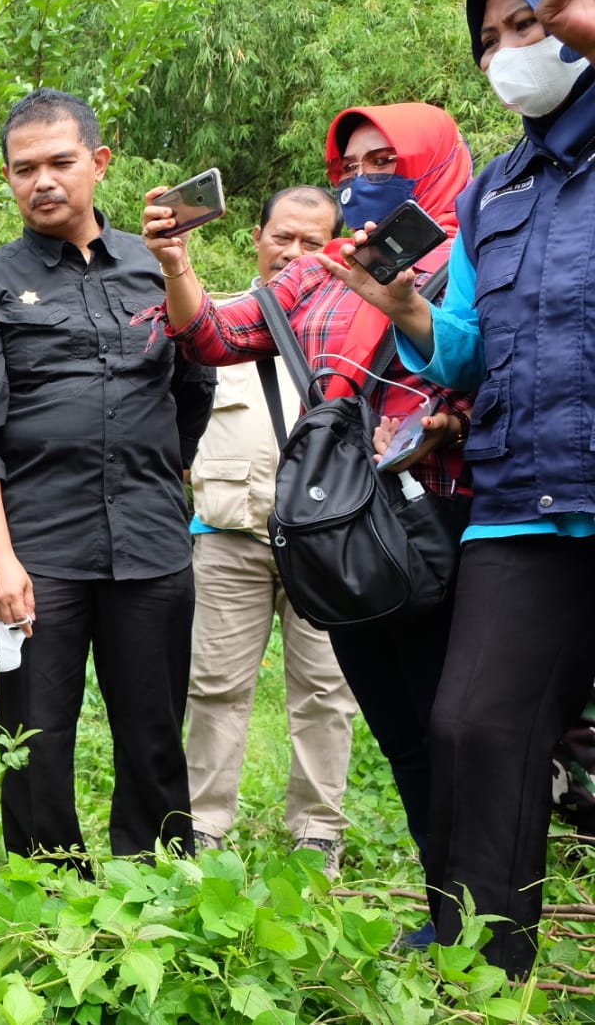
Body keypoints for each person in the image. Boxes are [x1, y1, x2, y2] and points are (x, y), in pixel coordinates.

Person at [313, 0, 595, 975]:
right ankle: (486, 969)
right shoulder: (493, 192)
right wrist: (408, 312)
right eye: (489, 39)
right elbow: (465, 348)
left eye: (527, 23)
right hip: (524, 500)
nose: (505, 53)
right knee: (473, 721)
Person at [143, 103, 474, 910]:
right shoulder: (321, 270)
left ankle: (481, 903)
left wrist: (450, 417)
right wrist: (177, 263)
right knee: (397, 727)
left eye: (386, 163)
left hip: (436, 521)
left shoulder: (478, 255)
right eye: (354, 167)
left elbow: (502, 362)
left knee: (453, 726)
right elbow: (217, 336)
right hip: (344, 526)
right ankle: (446, 908)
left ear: (432, 162)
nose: (366, 181)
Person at [0, 89, 215, 870]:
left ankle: (156, 888)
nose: (43, 181)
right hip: (40, 551)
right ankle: (48, 899)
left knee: (155, 734)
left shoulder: (153, 266)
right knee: (33, 741)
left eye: (60, 162)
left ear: (98, 163)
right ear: (8, 179)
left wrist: (157, 468)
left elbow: (196, 385)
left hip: (153, 544)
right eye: (24, 169)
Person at [184, 186, 358, 874]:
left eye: (313, 243)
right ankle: (203, 825)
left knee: (326, 689)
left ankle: (319, 831)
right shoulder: (217, 322)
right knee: (216, 686)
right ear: (258, 235)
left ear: (335, 247)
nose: (293, 252)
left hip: (327, 544)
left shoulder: (354, 323)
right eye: (282, 237)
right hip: (228, 534)